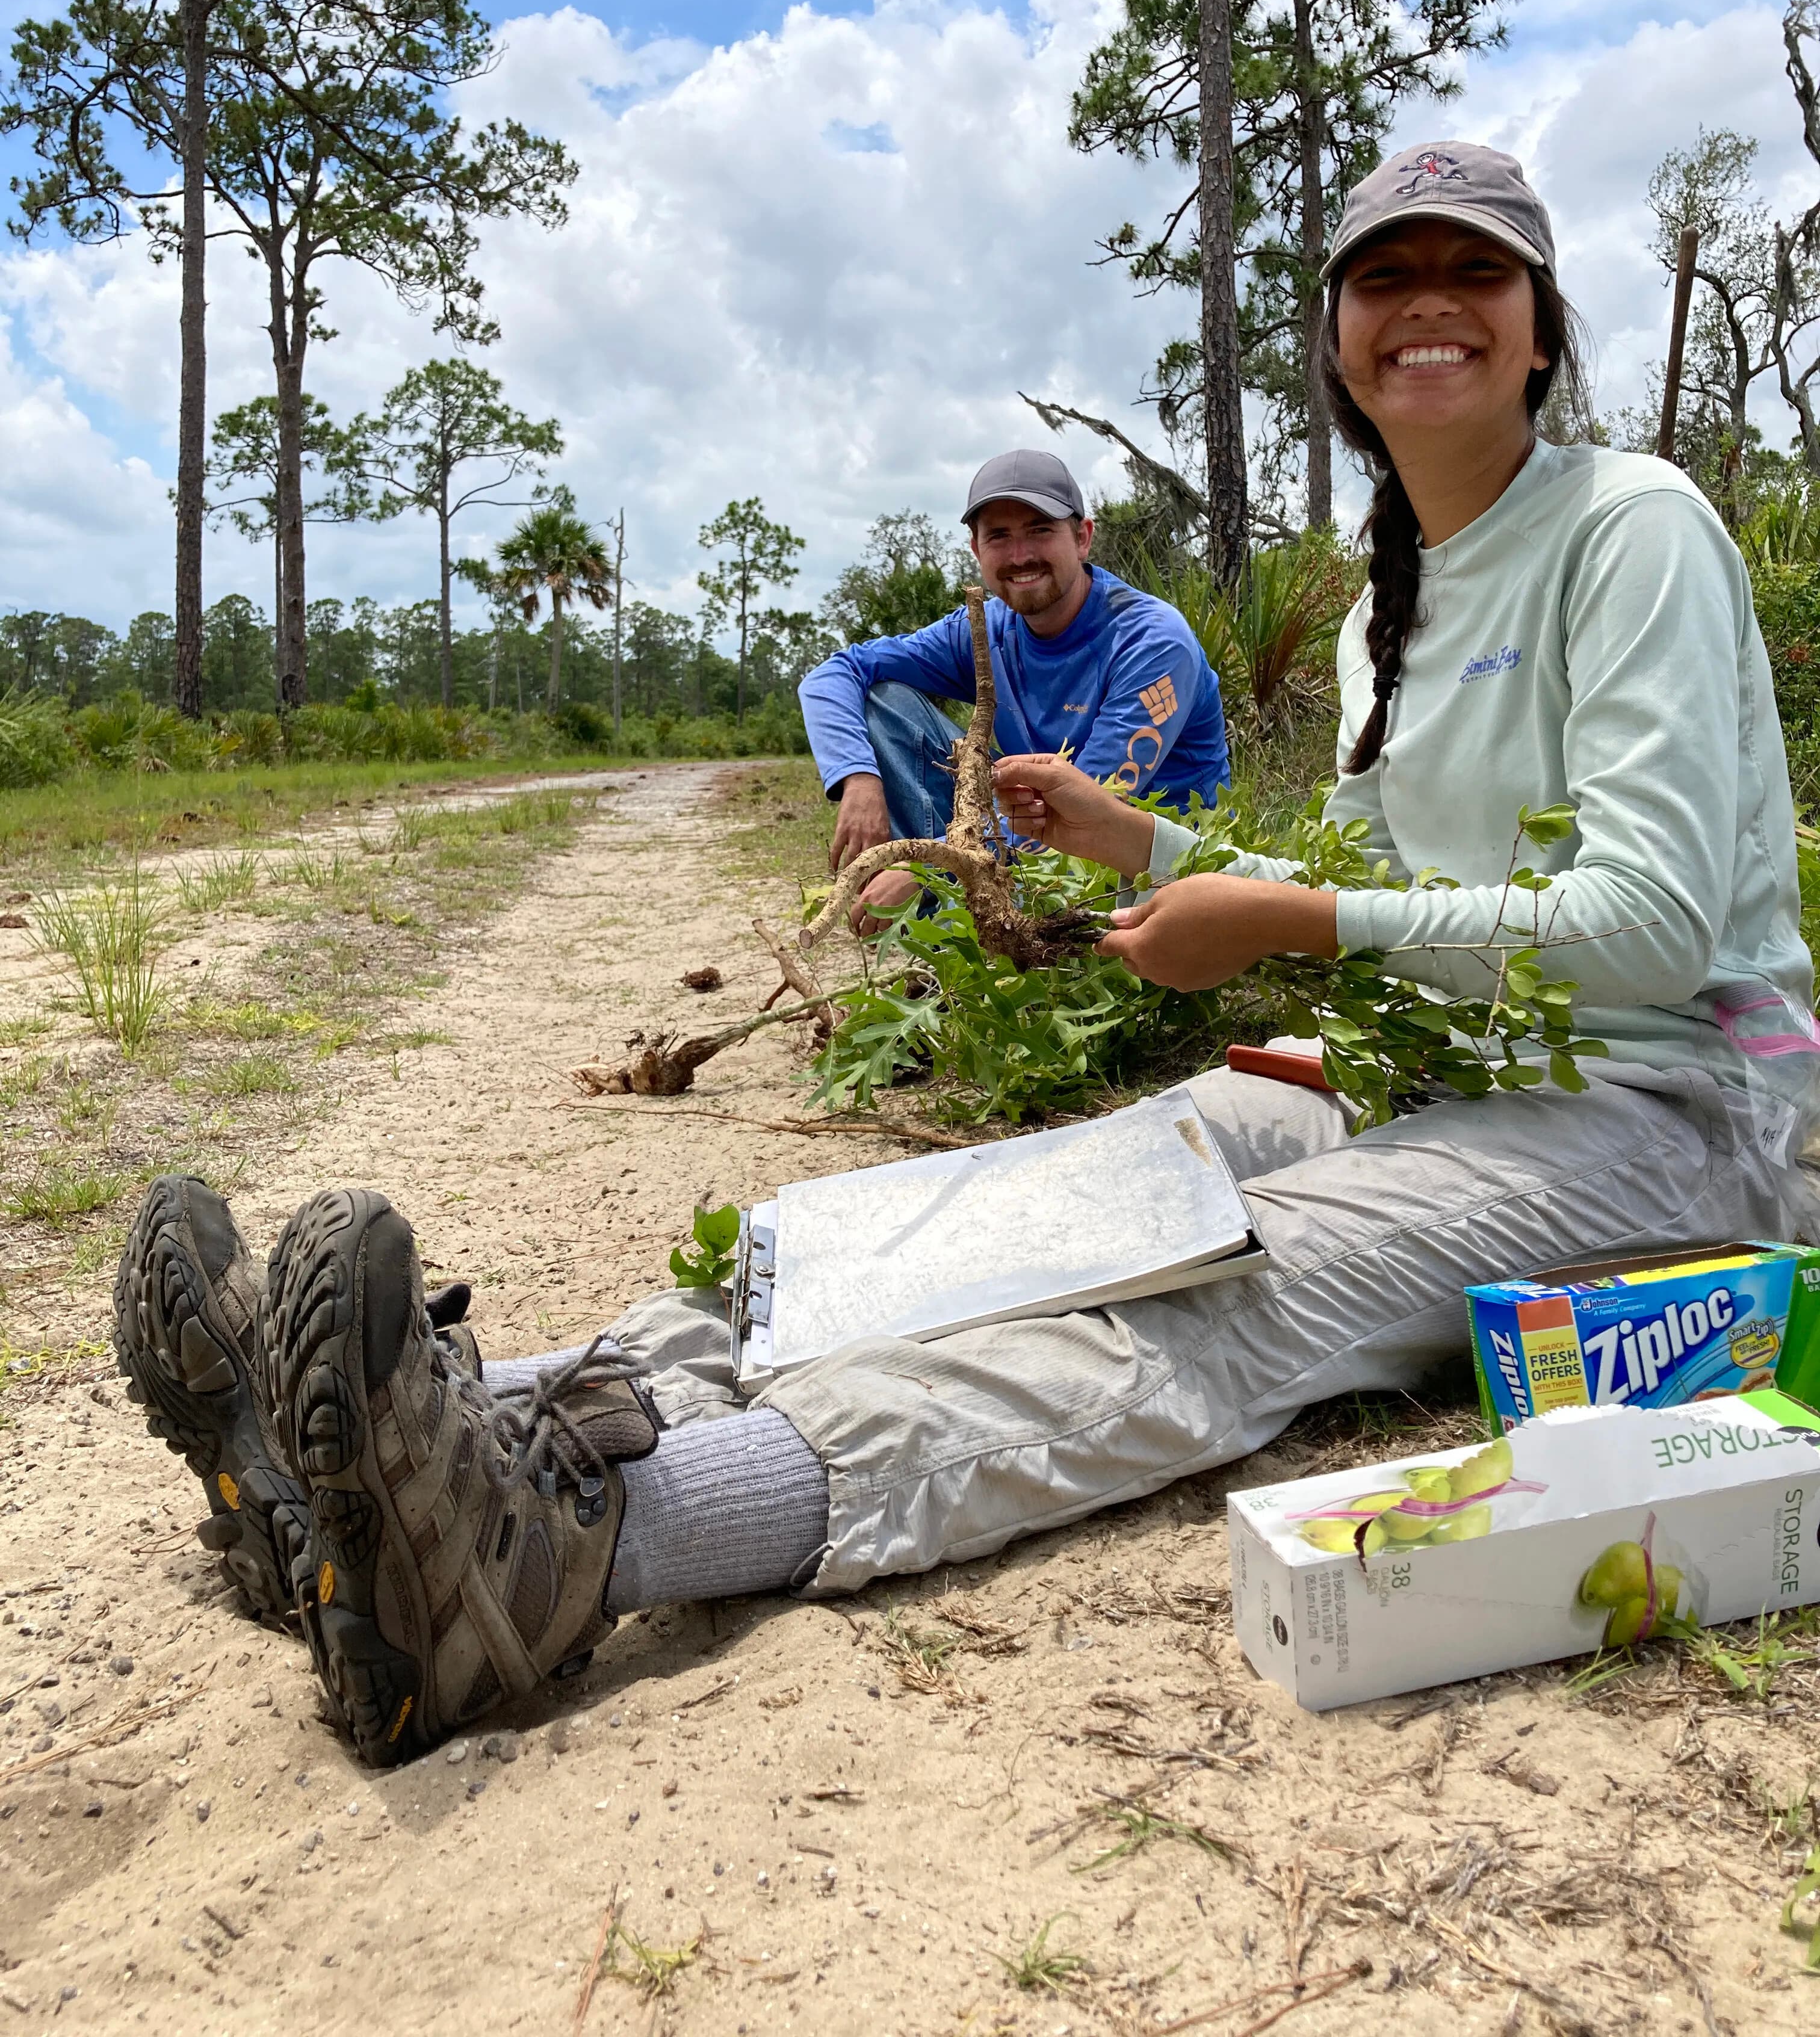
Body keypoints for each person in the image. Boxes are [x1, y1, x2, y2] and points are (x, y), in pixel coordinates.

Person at [112, 140, 1814, 1771]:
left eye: (1476, 274)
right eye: (1387, 274)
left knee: (1224, 1286)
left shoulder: (1631, 527)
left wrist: (1288, 922)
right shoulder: (1392, 603)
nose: (1428, 302)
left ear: (1543, 331)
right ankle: (411, 1445)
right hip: (1441, 1072)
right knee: (1034, 1204)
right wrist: (1144, 845)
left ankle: (554, 1551)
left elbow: (1652, 934)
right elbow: (1378, 887)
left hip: (1676, 1109)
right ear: (1335, 344)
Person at [797, 447, 1229, 925]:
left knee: (1065, 852)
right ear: (977, 551)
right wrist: (859, 778)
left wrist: (927, 864)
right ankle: (950, 935)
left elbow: (1092, 810)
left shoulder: (1150, 642)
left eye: (1040, 530)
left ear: (1083, 539)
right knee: (883, 700)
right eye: (999, 536)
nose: (1020, 555)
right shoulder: (986, 627)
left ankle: (952, 917)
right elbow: (832, 675)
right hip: (1028, 844)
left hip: (1147, 875)